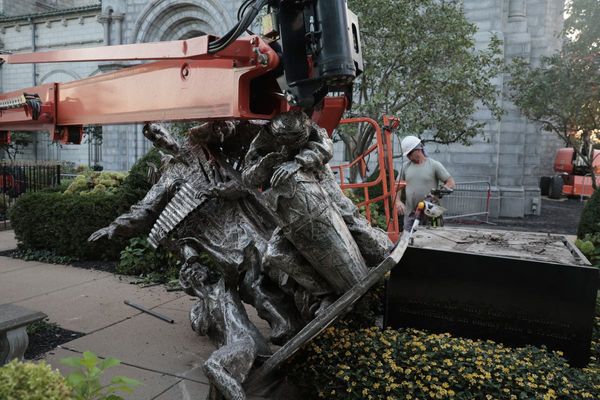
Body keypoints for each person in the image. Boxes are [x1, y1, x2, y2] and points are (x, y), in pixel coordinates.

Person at [395, 135, 455, 230]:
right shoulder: (405, 167)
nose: (408, 157)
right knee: (408, 239)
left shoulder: (434, 165)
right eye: (407, 154)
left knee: (433, 239)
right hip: (411, 214)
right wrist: (397, 201)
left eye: (410, 153)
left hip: (431, 214)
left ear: (418, 149)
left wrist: (439, 193)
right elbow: (397, 186)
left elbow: (450, 182)